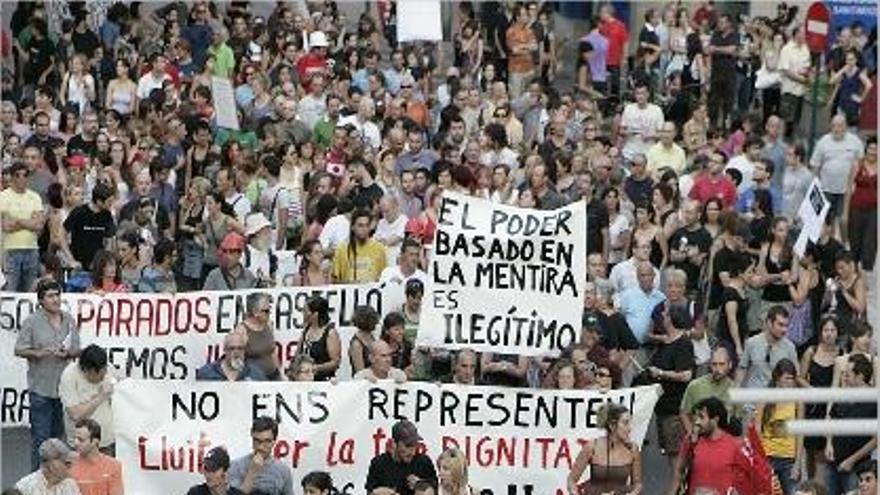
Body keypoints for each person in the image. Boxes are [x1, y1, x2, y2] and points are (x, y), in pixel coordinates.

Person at [15, 279, 81, 471]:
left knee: (57, 439)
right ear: (41, 300)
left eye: (57, 295)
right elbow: (19, 349)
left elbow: (76, 349)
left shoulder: (69, 319)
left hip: (63, 388)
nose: (55, 299)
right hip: (40, 388)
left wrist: (67, 353)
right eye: (50, 296)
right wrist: (39, 352)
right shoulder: (31, 322)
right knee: (41, 439)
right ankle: (36, 481)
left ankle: (54, 479)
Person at [824, 354, 877, 495]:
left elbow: (876, 439)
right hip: (832, 463)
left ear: (860, 376)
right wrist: (829, 444)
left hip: (857, 469)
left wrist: (851, 461)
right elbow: (831, 420)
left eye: (848, 374)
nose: (844, 378)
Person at [668, 397, 743, 495]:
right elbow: (679, 474)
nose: (697, 422)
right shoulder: (691, 440)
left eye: (701, 417)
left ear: (715, 420)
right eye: (696, 417)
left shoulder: (735, 445)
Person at [568, 403, 642, 494]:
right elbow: (571, 480)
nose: (629, 428)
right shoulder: (592, 447)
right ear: (612, 426)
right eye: (625, 423)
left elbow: (637, 484)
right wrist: (574, 493)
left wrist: (632, 494)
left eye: (629, 423)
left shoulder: (633, 449)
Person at [810, 115, 864, 238]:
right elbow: (814, 166)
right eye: (833, 125)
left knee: (844, 222)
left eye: (839, 125)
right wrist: (815, 188)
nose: (836, 129)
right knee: (828, 223)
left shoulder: (855, 141)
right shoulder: (823, 142)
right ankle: (832, 249)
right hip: (826, 189)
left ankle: (846, 246)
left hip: (847, 191)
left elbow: (861, 162)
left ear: (845, 126)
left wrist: (856, 182)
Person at [756, 359, 803, 495]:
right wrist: (761, 460)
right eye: (787, 378)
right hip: (767, 456)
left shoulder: (798, 400)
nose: (790, 382)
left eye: (792, 379)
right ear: (777, 378)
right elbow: (757, 430)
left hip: (788, 458)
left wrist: (798, 463)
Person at [58, 345, 115, 455]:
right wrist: (101, 396)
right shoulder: (69, 376)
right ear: (85, 370)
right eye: (98, 375)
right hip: (80, 445)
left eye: (105, 371)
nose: (103, 377)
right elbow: (75, 415)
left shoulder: (107, 368)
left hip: (106, 442)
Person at [0, 161, 45, 292]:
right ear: (12, 177)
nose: (22, 178)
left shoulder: (35, 197)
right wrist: (29, 222)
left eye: (25, 175)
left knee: (30, 291)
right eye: (18, 175)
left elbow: (39, 225)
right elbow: (6, 226)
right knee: (10, 290)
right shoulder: (3, 196)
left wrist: (18, 221)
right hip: (10, 250)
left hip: (31, 249)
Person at [365, 419, 437, 495]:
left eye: (415, 445)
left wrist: (421, 485)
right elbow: (370, 492)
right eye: (408, 446)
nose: (412, 451)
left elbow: (437, 489)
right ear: (394, 443)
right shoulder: (378, 463)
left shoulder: (423, 462)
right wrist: (382, 492)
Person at [737, 305, 799, 389]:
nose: (784, 330)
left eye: (786, 326)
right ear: (769, 323)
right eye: (780, 325)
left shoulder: (790, 347)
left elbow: (795, 376)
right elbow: (742, 369)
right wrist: (737, 389)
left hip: (776, 397)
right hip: (754, 394)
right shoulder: (752, 343)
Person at [228, 417, 294, 495]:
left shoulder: (283, 471)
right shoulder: (236, 466)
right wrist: (252, 472)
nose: (260, 447)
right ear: (252, 436)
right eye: (257, 441)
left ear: (274, 442)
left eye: (267, 441)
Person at [679, 346, 735, 436]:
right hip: (700, 438)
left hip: (724, 442)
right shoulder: (695, 386)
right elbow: (684, 413)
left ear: (730, 365)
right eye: (714, 364)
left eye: (721, 364)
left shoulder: (735, 389)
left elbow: (738, 419)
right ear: (710, 365)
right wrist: (691, 434)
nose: (717, 369)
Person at [69, 419, 123, 495]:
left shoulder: (114, 466)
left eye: (81, 440)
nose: (76, 443)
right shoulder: (70, 466)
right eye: (74, 438)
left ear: (95, 442)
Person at [332, 208, 387, 283]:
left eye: (367, 225)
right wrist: (349, 284)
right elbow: (334, 280)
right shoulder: (341, 249)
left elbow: (384, 278)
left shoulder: (379, 248)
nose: (364, 229)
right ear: (352, 227)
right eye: (360, 225)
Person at [14, 438, 81, 495]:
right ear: (51, 464)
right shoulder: (25, 488)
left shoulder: (70, 485)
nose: (70, 466)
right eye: (66, 463)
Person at [298, 295, 341, 381]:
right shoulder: (306, 330)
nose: (303, 313)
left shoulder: (330, 333)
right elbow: (298, 354)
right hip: (306, 380)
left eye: (306, 311)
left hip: (323, 381)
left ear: (315, 314)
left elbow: (335, 362)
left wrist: (316, 368)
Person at [196, 331, 266, 381]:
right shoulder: (207, 373)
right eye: (232, 348)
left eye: (240, 348)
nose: (236, 352)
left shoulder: (256, 374)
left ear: (245, 350)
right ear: (225, 350)